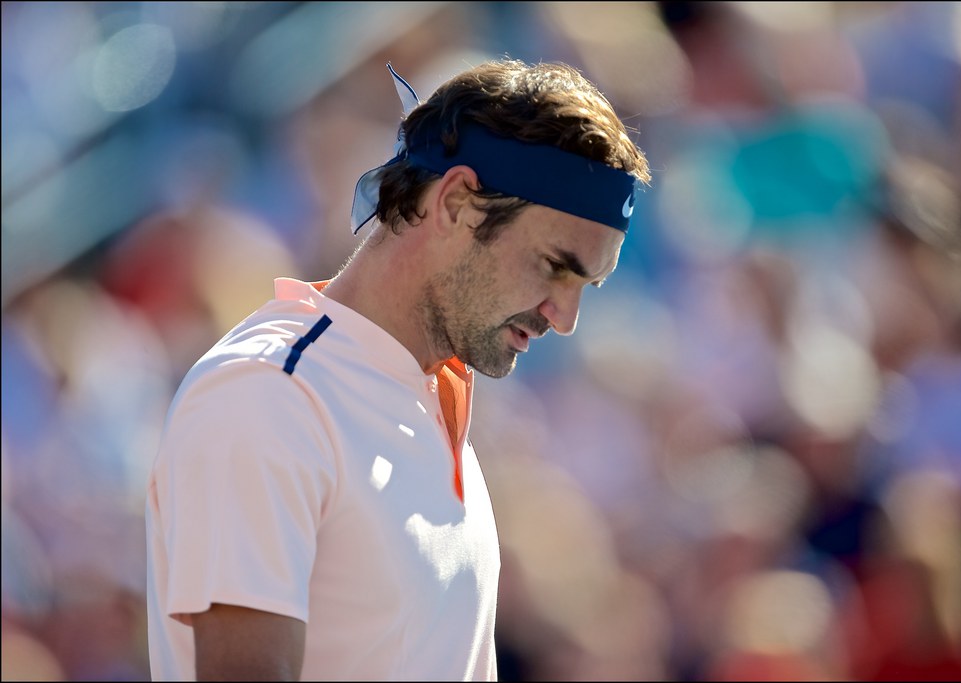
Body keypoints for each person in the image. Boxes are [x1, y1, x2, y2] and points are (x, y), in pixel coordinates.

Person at [145, 57, 651, 681]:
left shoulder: (427, 397)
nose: (566, 316)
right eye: (555, 265)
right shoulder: (269, 394)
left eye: (587, 285)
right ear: (458, 203)